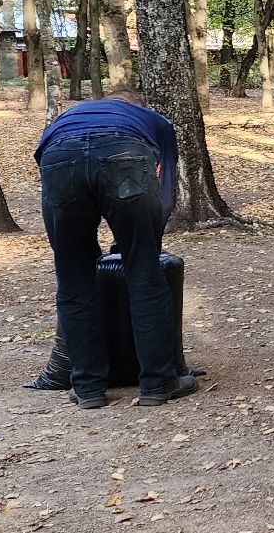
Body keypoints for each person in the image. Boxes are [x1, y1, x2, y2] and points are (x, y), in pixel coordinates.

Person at [34, 90, 199, 409]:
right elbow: (165, 184)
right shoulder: (151, 120)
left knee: (73, 281)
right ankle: (158, 383)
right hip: (126, 157)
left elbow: (45, 161)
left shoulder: (65, 119)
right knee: (145, 276)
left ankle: (87, 388)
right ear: (136, 106)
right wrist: (145, 241)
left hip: (59, 161)